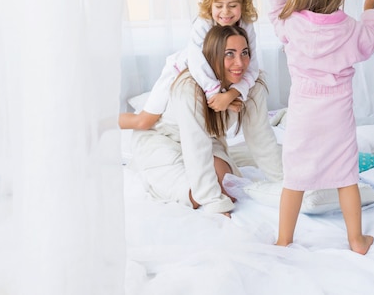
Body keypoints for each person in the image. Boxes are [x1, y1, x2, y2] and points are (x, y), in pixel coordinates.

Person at [258, 0, 374, 255]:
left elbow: (277, 18)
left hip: (303, 112)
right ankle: (356, 240)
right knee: (346, 176)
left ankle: (283, 240)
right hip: (337, 114)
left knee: (295, 178)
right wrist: (369, 11)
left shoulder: (293, 25)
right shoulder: (350, 28)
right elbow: (371, 40)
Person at [119, 25, 282, 216]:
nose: (240, 63)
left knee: (226, 184)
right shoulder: (189, 88)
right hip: (162, 138)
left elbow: (260, 136)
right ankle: (147, 165)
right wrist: (214, 201)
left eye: (244, 53)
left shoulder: (250, 86)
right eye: (229, 54)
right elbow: (195, 145)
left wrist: (284, 183)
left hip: (207, 139)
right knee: (196, 195)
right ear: (212, 57)